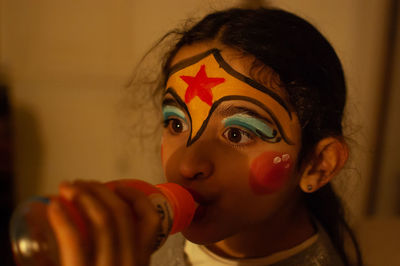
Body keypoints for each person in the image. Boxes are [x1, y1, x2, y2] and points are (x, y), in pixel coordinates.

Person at [47, 7, 363, 266]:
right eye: (176, 124)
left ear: (317, 165)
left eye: (237, 133)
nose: (188, 164)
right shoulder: (158, 231)